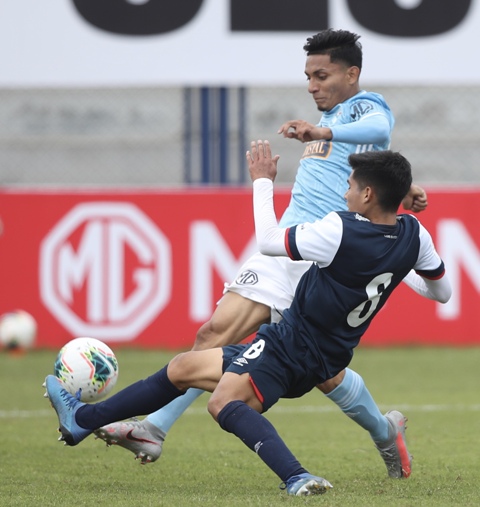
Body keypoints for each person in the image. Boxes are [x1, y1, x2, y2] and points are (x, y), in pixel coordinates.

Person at [94, 28, 427, 476]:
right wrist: (403, 187)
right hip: (285, 251)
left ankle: (385, 433)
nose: (312, 86)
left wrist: (324, 131)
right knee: (215, 333)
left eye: (322, 76)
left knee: (322, 372)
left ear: (351, 74)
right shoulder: (337, 125)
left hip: (318, 256)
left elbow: (380, 129)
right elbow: (360, 170)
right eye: (308, 77)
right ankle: (154, 428)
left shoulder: (363, 107)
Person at [44, 147, 451, 497]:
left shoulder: (339, 230)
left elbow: (269, 242)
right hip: (327, 354)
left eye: (349, 186)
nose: (345, 193)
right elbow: (441, 292)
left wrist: (262, 181)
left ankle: (296, 476)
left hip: (290, 346)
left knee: (223, 403)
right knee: (183, 367)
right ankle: (84, 421)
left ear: (367, 194)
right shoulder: (414, 235)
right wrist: (396, 271)